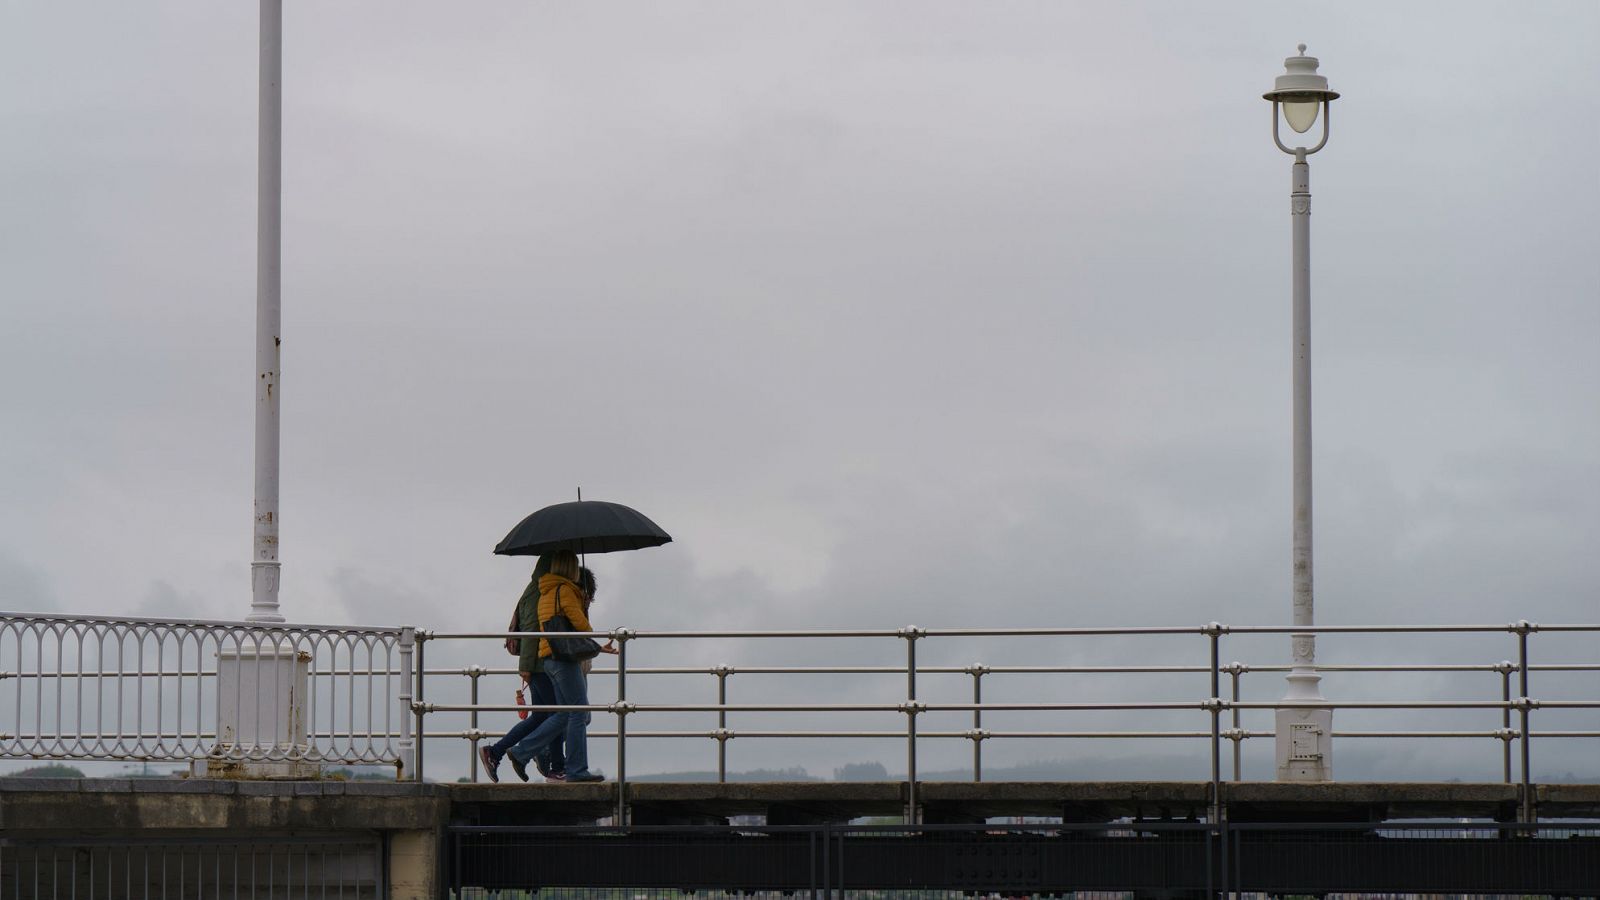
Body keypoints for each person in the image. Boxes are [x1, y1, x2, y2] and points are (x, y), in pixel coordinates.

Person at [505, 550, 615, 783]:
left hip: (548, 658)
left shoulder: (545, 590)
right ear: (571, 568)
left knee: (565, 713)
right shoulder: (565, 591)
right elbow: (581, 626)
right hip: (565, 659)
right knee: (579, 712)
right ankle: (575, 769)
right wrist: (582, 606)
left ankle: (522, 752)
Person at [479, 557, 566, 783]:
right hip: (539, 664)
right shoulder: (540, 592)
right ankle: (556, 767)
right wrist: (526, 666)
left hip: (536, 663)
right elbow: (531, 630)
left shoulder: (534, 589)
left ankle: (496, 752)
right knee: (558, 713)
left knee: (541, 716)